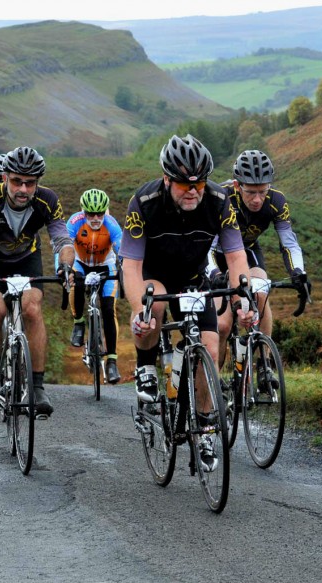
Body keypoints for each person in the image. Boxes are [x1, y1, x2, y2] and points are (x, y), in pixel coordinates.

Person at [120, 134, 255, 471]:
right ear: (167, 179)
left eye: (199, 183)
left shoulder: (219, 201)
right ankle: (146, 367)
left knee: (210, 349)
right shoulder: (144, 202)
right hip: (153, 275)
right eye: (183, 184)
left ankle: (205, 430)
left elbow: (237, 258)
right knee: (154, 308)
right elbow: (131, 267)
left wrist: (244, 298)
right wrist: (140, 311)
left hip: (194, 279)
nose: (193, 190)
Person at [0, 146, 75, 415]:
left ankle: (38, 384)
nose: (23, 189)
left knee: (32, 308)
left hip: (26, 259)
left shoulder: (48, 200)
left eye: (30, 183)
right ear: (5, 177)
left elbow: (62, 239)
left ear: (37, 183)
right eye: (17, 181)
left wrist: (67, 265)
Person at [206, 150, 310, 376]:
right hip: (217, 254)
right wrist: (215, 274)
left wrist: (298, 273)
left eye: (262, 192)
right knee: (222, 325)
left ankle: (264, 362)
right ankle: (215, 381)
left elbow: (289, 243)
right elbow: (207, 247)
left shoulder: (276, 201)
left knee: (261, 291)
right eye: (251, 192)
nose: (257, 199)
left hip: (248, 250)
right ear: (236, 184)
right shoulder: (221, 198)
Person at [62, 188, 124, 384]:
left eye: (100, 213)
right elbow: (62, 247)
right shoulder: (74, 222)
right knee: (77, 284)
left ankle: (112, 361)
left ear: (106, 211)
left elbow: (122, 249)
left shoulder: (112, 225)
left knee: (107, 308)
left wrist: (125, 269)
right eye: (90, 213)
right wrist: (63, 270)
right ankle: (79, 323)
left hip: (105, 265)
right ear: (83, 211)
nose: (96, 218)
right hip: (80, 263)